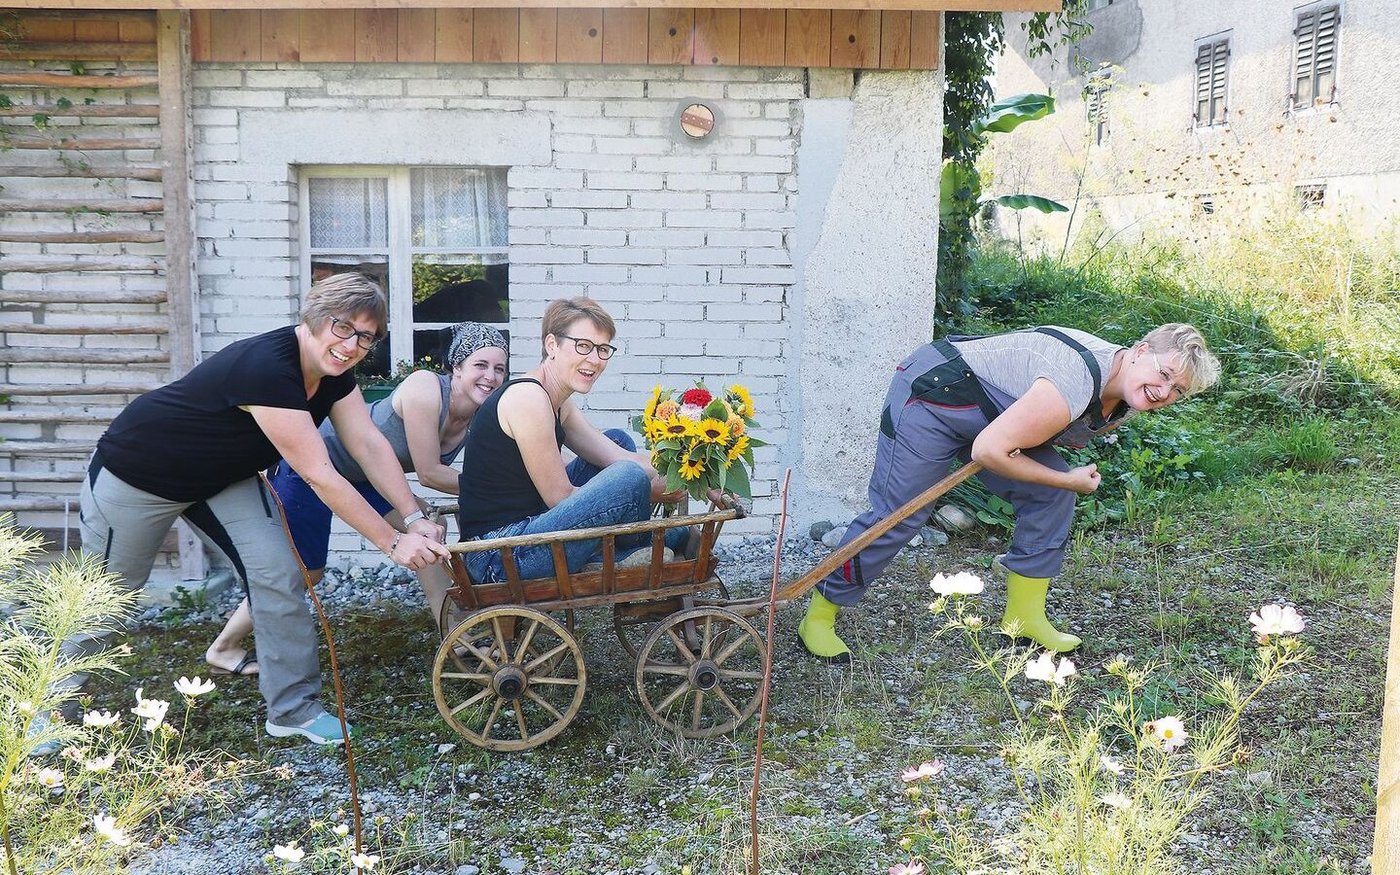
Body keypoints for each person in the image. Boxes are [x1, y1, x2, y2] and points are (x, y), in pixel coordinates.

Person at [75, 273, 449, 746]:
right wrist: (392, 541)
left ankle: (293, 710)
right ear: (314, 318)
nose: (352, 345)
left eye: (366, 336)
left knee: (279, 571)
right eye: (343, 327)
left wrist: (413, 516)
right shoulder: (269, 368)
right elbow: (319, 473)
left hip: (220, 478)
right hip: (139, 474)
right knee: (105, 598)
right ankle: (43, 705)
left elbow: (370, 445)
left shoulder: (334, 376)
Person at [797, 323, 1221, 663]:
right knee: (902, 513)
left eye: (1178, 391)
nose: (1165, 392)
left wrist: (1057, 483)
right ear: (1141, 349)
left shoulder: (1125, 395)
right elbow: (989, 450)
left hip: (992, 414)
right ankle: (819, 615)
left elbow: (1014, 435)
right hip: (934, 395)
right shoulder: (1074, 379)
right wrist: (1066, 479)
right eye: (1164, 375)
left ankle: (1023, 617)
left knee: (1049, 496)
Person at [204, 322, 510, 676]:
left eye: (499, 368)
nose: (490, 376)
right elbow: (429, 473)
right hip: (313, 469)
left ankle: (456, 635)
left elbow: (497, 461)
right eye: (480, 365)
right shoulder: (425, 388)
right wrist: (503, 489)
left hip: (366, 479)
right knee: (306, 573)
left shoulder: (478, 412)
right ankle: (223, 646)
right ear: (456, 366)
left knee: (430, 531)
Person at [456, 297, 692, 583]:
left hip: (531, 530)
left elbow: (615, 455)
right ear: (552, 345)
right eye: (583, 346)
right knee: (628, 478)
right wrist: (640, 491)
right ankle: (642, 547)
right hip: (500, 553)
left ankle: (631, 548)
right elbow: (560, 497)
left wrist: (687, 476)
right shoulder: (527, 399)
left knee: (619, 442)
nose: (594, 360)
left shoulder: (557, 400)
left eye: (603, 349)